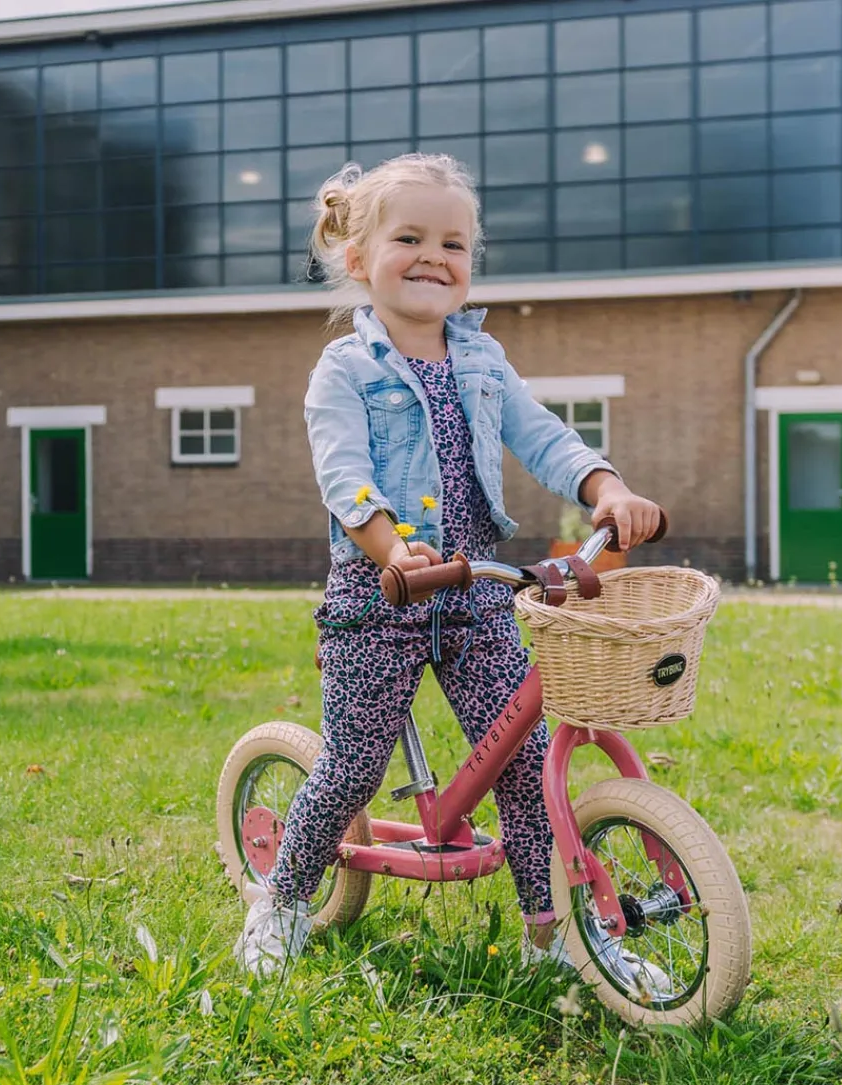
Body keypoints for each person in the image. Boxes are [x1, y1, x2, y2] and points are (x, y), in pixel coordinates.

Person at [235, 153, 663, 978]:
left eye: (455, 244)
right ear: (359, 261)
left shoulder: (482, 359)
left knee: (527, 763)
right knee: (354, 763)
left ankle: (555, 937)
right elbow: (343, 472)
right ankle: (281, 902)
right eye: (411, 238)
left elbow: (542, 434)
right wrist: (391, 546)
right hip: (380, 594)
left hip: (476, 594)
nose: (436, 256)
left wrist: (605, 486)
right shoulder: (346, 369)